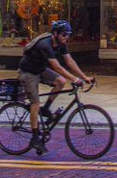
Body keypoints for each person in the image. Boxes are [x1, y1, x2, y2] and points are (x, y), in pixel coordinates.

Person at [16, 20, 94, 155]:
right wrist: (75, 79)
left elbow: (69, 61)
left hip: (40, 69)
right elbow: (57, 66)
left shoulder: (61, 43)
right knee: (35, 103)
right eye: (64, 34)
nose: (66, 37)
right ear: (56, 33)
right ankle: (34, 138)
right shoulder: (45, 44)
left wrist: (84, 77)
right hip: (28, 72)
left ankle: (46, 109)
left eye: (68, 35)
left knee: (61, 81)